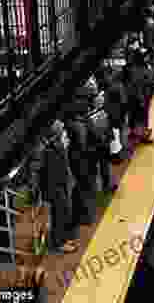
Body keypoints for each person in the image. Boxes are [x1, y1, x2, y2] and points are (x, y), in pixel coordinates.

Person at [28, 119, 80, 254]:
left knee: (63, 213)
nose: (64, 132)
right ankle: (59, 243)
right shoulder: (43, 149)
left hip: (61, 184)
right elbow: (36, 169)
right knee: (60, 214)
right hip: (52, 187)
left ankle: (62, 238)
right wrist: (34, 190)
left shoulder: (56, 144)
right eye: (61, 130)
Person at [63, 81, 100, 226]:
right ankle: (84, 216)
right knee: (85, 187)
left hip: (79, 159)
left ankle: (82, 215)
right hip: (84, 159)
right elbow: (87, 141)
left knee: (81, 187)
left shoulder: (75, 122)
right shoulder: (82, 123)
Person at [124, 50, 154, 148]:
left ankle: (136, 133)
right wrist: (141, 99)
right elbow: (138, 86)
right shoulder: (138, 70)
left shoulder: (137, 68)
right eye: (145, 56)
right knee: (141, 117)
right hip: (140, 98)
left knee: (136, 117)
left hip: (140, 97)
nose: (147, 58)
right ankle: (142, 135)